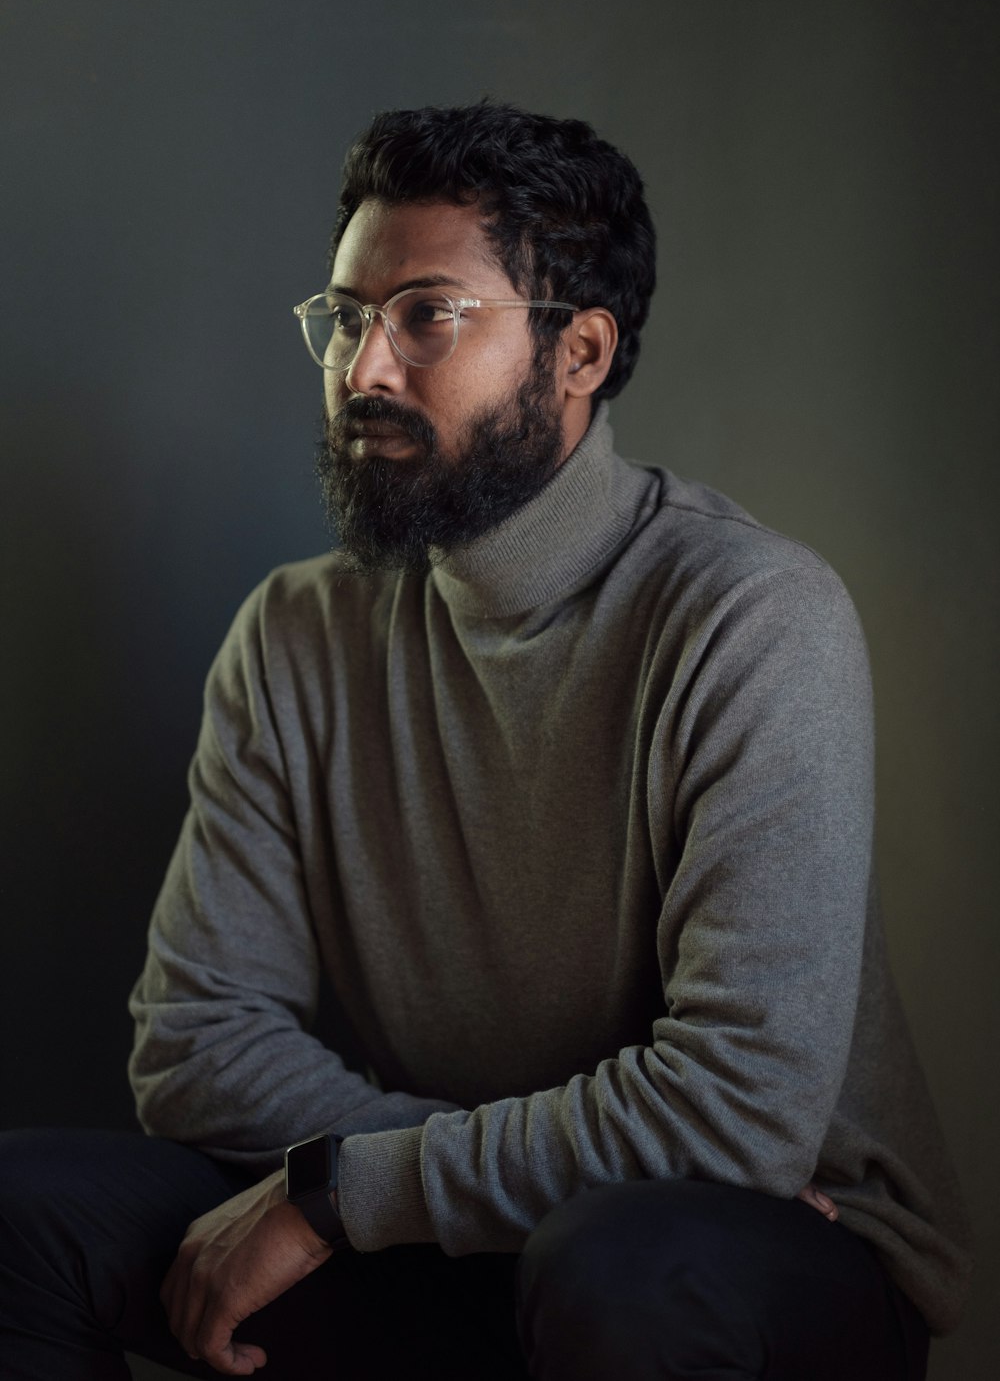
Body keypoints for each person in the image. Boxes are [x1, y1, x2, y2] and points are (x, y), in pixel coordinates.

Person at [0, 103, 971, 1381]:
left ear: (578, 351)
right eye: (346, 317)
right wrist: (402, 1180)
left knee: (625, 1258)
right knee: (22, 1211)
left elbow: (737, 1114)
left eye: (425, 315)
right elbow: (191, 1047)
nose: (362, 370)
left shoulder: (753, 619)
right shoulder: (296, 635)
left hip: (754, 1249)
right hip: (455, 1223)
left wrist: (358, 1188)